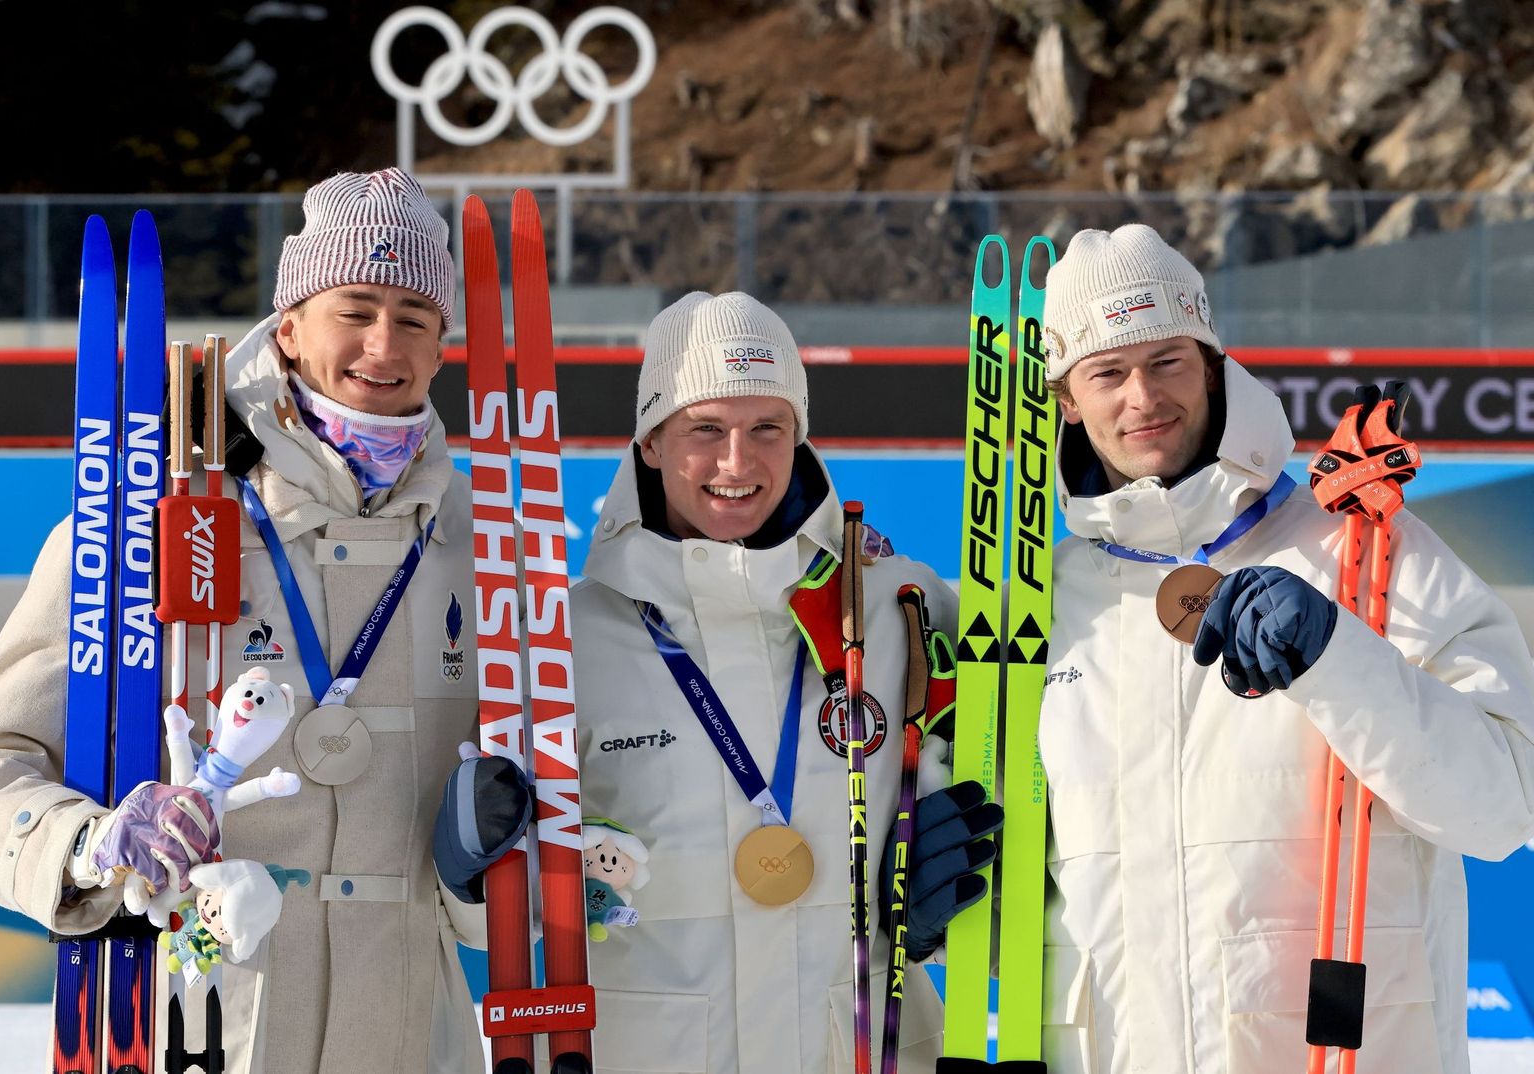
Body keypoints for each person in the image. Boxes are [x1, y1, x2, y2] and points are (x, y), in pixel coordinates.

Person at [0, 168, 493, 1074]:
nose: (382, 343)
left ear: (441, 348)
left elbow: (510, 848)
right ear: (290, 326)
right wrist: (87, 845)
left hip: (409, 1036)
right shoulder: (150, 518)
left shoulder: (480, 544)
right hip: (198, 1029)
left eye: (414, 317)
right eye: (353, 309)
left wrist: (484, 870)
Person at [1035, 224, 1534, 1073]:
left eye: (1167, 361)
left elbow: (1503, 807)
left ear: (1212, 365)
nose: (1143, 397)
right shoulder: (1047, 605)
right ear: (1070, 400)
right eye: (1108, 372)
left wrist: (1338, 657)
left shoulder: (1367, 552)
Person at [540, 291, 1000, 1073]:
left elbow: (1000, 835)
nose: (737, 462)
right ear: (650, 442)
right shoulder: (569, 638)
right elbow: (493, 918)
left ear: (799, 437)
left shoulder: (900, 606)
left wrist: (946, 917)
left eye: (767, 428)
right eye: (704, 429)